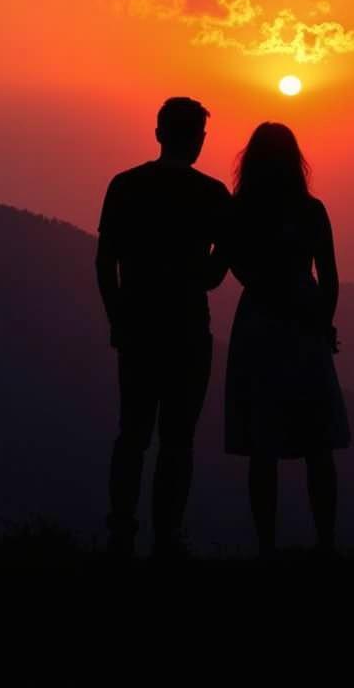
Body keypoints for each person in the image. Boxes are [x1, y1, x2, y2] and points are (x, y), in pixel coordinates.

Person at [95, 97, 231, 558]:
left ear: (158, 134)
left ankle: (121, 533)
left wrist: (117, 318)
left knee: (132, 433)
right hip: (189, 330)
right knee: (177, 440)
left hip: (136, 328)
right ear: (198, 139)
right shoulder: (213, 195)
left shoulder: (125, 186)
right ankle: (167, 537)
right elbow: (217, 273)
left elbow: (105, 260)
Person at [224, 122, 350, 557]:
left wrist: (272, 293)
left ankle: (266, 547)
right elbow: (330, 278)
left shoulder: (240, 211)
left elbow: (236, 268)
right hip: (304, 323)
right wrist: (321, 320)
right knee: (316, 442)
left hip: (260, 323)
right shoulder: (312, 211)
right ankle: (326, 542)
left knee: (264, 444)